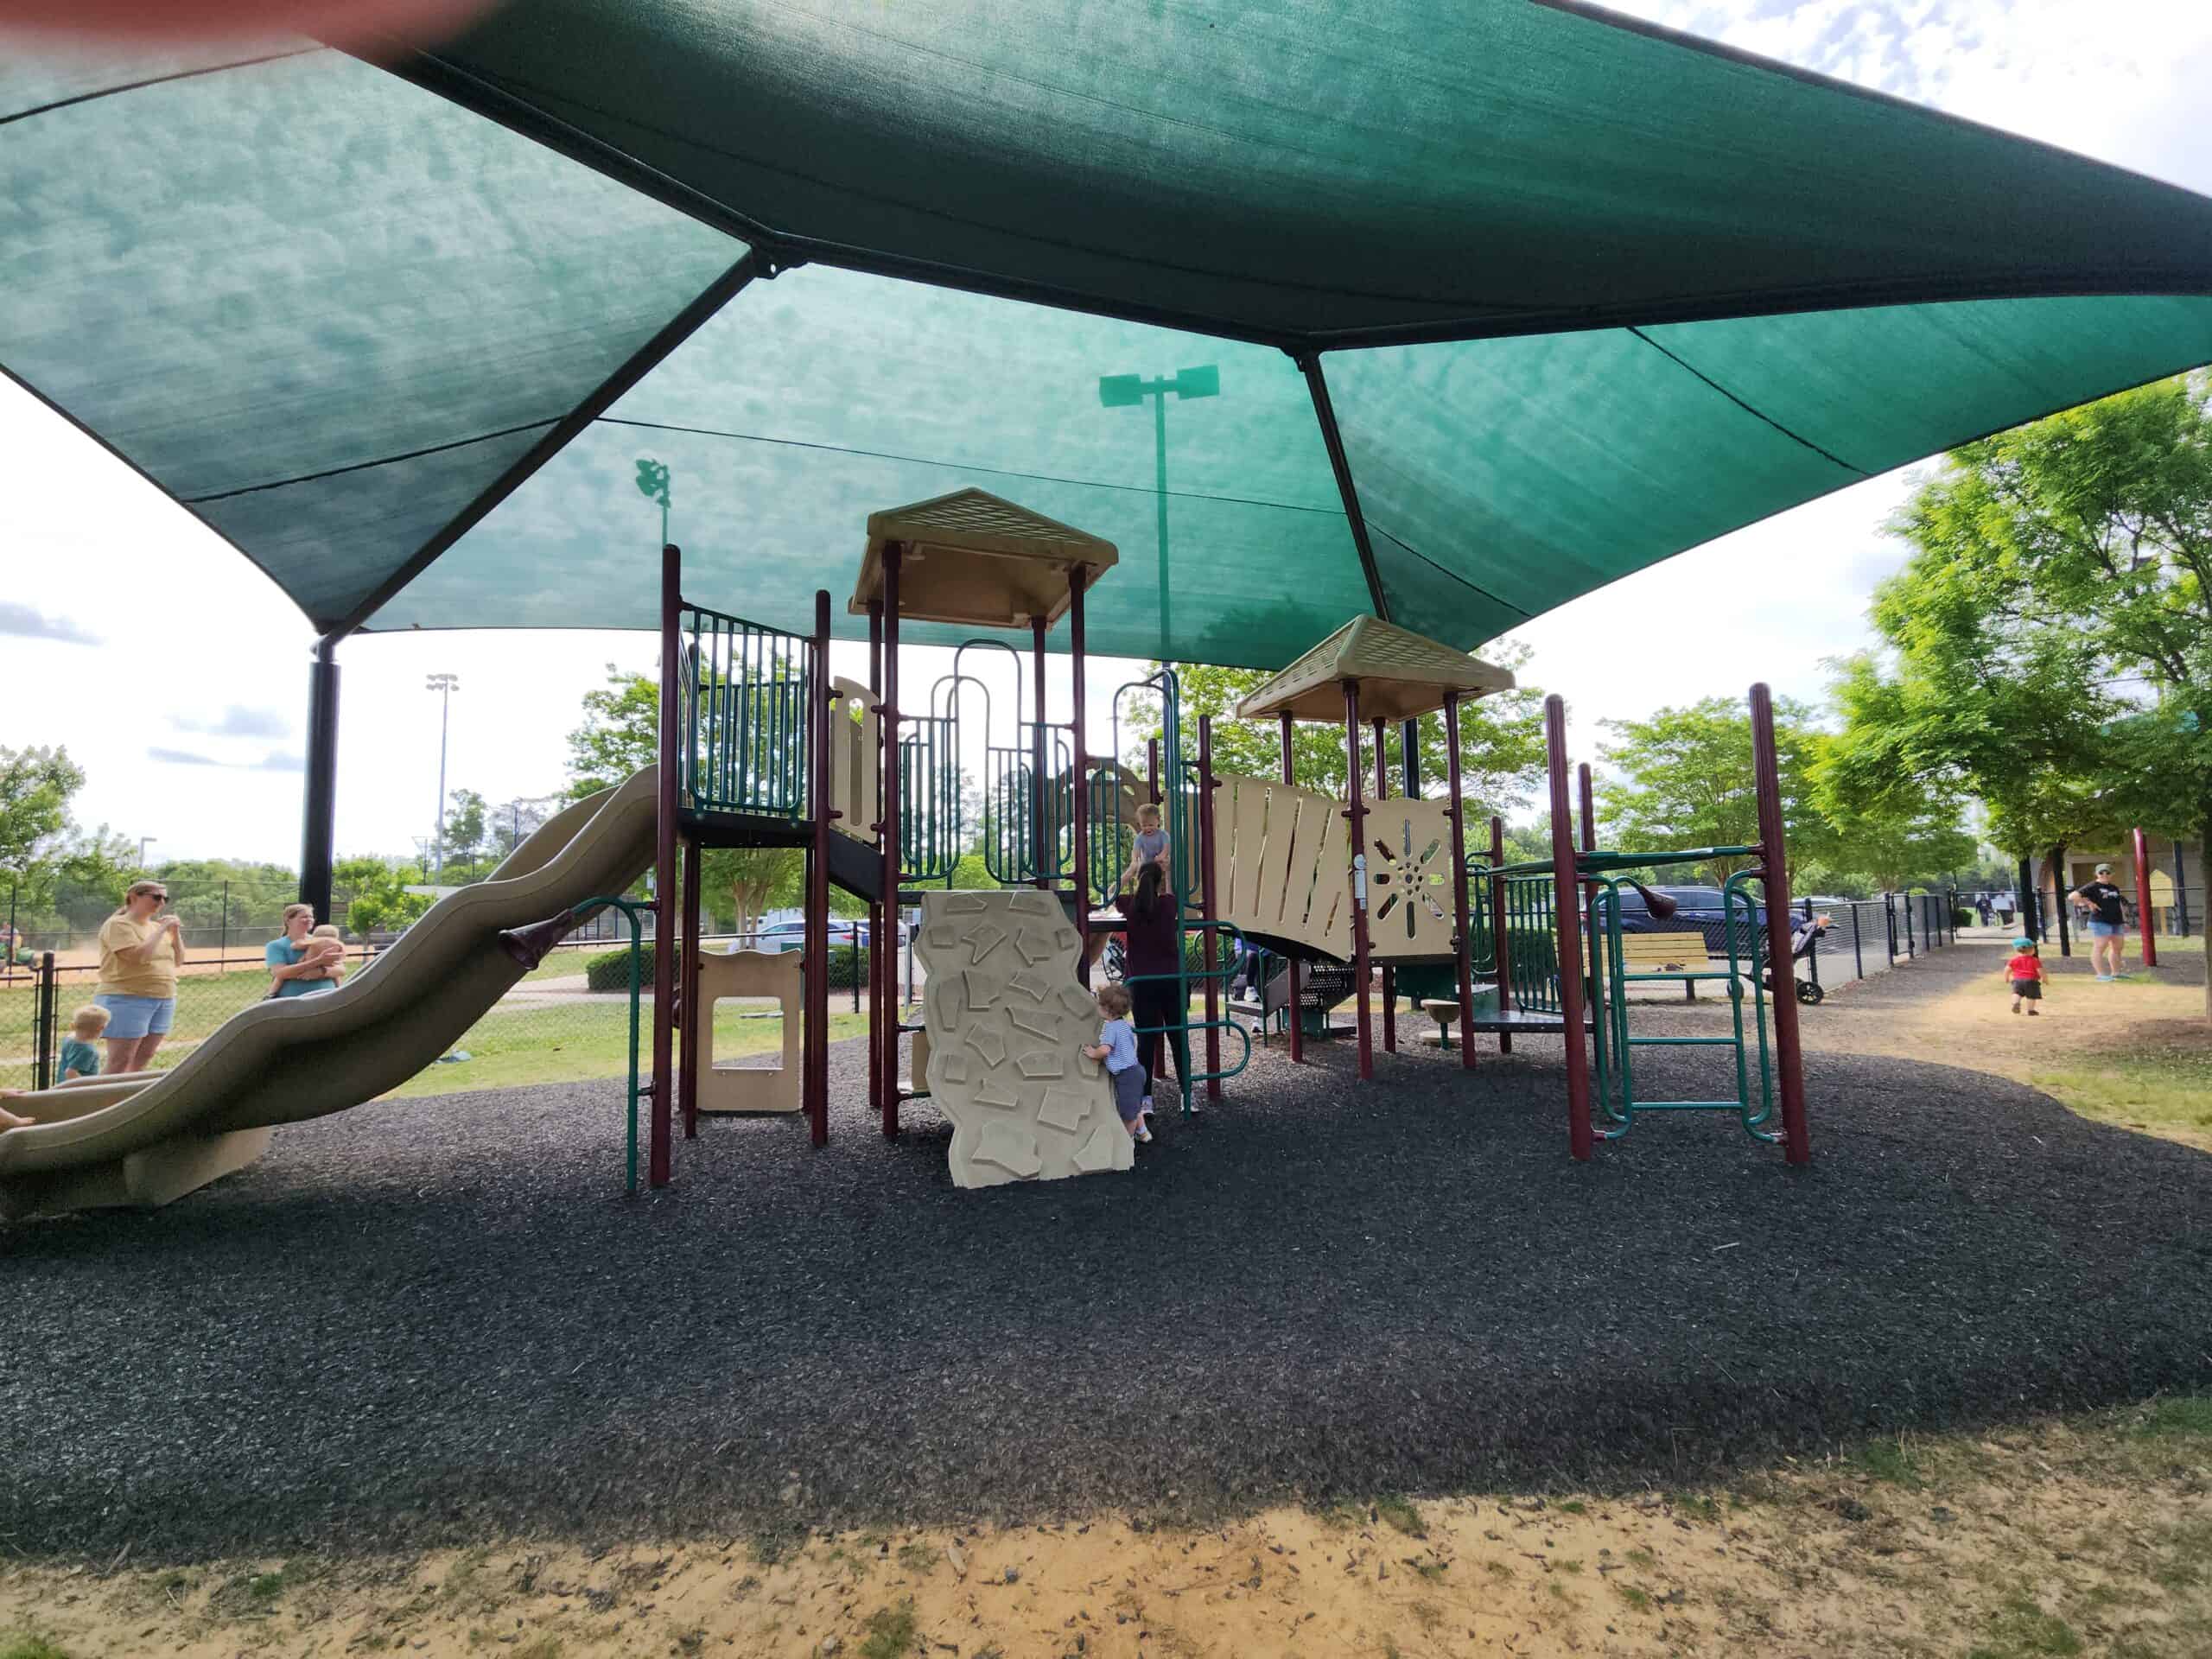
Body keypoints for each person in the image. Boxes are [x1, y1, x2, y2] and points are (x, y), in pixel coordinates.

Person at [1114, 861, 1189, 1114]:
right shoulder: (1168, 906)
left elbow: (1110, 894)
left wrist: (1129, 872)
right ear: (1159, 883)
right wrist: (1167, 872)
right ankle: (1187, 1095)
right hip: (1170, 980)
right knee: (1178, 1038)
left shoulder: (1130, 906)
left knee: (1146, 1042)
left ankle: (1146, 1100)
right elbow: (1173, 895)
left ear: (1139, 880)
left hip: (1142, 983)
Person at [94, 879, 184, 1075]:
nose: (161, 903)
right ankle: (98, 1101)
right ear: (134, 897)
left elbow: (178, 960)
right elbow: (138, 957)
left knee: (144, 1057)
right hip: (127, 997)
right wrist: (162, 930)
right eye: (156, 897)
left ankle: (124, 1098)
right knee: (120, 1062)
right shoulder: (118, 924)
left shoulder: (153, 927)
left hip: (164, 997)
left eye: (165, 898)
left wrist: (174, 933)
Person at [1081, 982, 1151, 1143]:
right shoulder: (1124, 1026)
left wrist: (1093, 1053)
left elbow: (1105, 1050)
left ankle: (1127, 1143)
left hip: (1127, 1076)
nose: (1097, 1008)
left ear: (1108, 1011)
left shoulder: (1110, 1029)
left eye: (1100, 1005)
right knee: (1134, 1105)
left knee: (1128, 1114)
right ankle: (1144, 1132)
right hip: (1136, 1070)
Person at [265, 905, 346, 998]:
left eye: (311, 917)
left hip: (328, 998)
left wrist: (321, 972)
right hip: (293, 1002)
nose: (309, 919)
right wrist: (318, 961)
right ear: (288, 920)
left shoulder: (322, 941)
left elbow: (341, 970)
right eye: (304, 917)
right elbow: (279, 973)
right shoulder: (276, 945)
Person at [2068, 863, 2132, 982]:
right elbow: (2072, 896)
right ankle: (2101, 975)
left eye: (2107, 872)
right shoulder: (2092, 886)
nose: (2104, 875)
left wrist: (2125, 921)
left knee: (2117, 947)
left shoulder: (2114, 888)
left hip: (2116, 921)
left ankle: (2116, 973)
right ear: (2096, 874)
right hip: (2100, 921)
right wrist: (2089, 903)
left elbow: (2119, 904)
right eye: (2101, 872)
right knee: (2100, 946)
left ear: (2111, 874)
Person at [1122, 802, 1171, 890]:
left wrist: (1161, 857)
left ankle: (1170, 893)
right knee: (1133, 868)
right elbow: (1135, 851)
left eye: (1151, 825)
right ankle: (1114, 891)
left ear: (1158, 821)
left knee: (1168, 865)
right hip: (1146, 864)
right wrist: (1134, 860)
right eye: (1144, 825)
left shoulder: (1163, 835)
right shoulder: (1140, 837)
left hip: (1160, 861)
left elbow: (1166, 849)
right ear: (1139, 824)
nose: (1147, 828)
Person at [60, 1005, 109, 1081]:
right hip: (78, 1089)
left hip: (63, 1083)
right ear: (101, 1028)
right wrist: (88, 1087)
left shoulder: (69, 1039)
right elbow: (70, 1073)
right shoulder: (87, 1051)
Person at [2005, 936, 2047, 1015]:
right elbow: (2040, 971)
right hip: (2031, 981)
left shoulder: (2014, 960)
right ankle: (2031, 1010)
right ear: (2031, 950)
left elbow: (2007, 969)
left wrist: (2007, 978)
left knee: (2017, 993)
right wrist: (2044, 978)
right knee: (2031, 996)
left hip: (2017, 980)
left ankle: (2016, 1003)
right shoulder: (2034, 960)